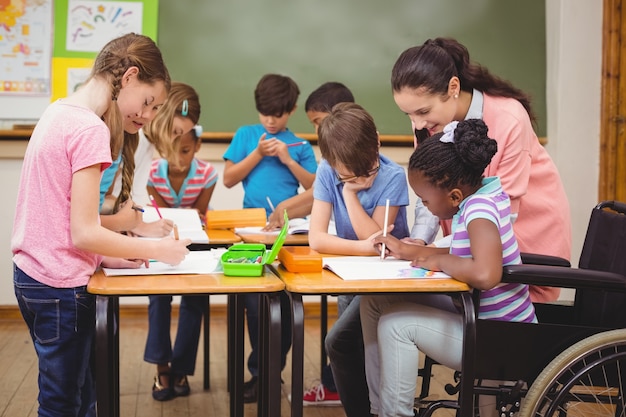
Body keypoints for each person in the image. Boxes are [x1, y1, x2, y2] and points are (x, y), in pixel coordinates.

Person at [11, 33, 191, 417]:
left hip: (32, 275)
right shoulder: (91, 128)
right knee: (64, 402)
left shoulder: (59, 110)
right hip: (60, 285)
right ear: (128, 77)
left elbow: (60, 218)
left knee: (80, 393)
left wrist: (104, 258)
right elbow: (85, 231)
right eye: (147, 102)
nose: (145, 116)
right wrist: (159, 249)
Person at [362, 119, 537, 417]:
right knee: (375, 302)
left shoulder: (479, 211)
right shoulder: (481, 196)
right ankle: (380, 410)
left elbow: (486, 274)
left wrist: (437, 259)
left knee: (395, 325)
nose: (426, 207)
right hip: (481, 318)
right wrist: (411, 250)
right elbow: (462, 249)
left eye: (426, 201)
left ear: (454, 195)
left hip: (498, 336)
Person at [391, 37, 571, 302]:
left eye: (423, 111)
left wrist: (433, 253)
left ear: (453, 87)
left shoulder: (509, 117)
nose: (417, 122)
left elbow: (504, 215)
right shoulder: (427, 124)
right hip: (469, 248)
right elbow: (428, 189)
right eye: (409, 115)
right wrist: (419, 240)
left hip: (524, 237)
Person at [309, 102, 410, 416]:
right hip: (349, 275)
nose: (363, 176)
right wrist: (366, 246)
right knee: (350, 351)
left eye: (367, 169)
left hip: (386, 280)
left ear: (377, 142)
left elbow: (379, 243)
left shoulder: (392, 175)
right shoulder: (328, 171)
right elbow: (317, 239)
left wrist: (350, 195)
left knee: (342, 344)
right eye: (348, 175)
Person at [222, 73, 317, 402]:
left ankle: (271, 373)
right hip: (252, 233)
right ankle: (261, 373)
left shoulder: (301, 146)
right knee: (254, 306)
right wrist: (259, 154)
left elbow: (314, 189)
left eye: (278, 114)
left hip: (288, 233)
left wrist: (288, 159)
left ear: (291, 110)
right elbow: (229, 179)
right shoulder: (247, 135)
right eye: (265, 114)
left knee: (287, 309)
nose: (271, 121)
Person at [143, 86, 218, 401]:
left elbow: (197, 215)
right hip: (161, 241)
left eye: (185, 150)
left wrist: (183, 221)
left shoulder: (207, 175)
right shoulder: (152, 174)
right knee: (158, 298)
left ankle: (182, 369)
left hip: (194, 243)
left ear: (197, 144)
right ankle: (162, 366)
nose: (177, 160)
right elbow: (159, 214)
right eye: (171, 150)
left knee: (196, 300)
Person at [264, 81, 355, 229]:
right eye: (314, 125)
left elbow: (316, 194)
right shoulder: (328, 157)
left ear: (341, 115)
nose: (316, 131)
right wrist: (284, 214)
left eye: (319, 122)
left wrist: (284, 207)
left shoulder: (355, 152)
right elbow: (319, 196)